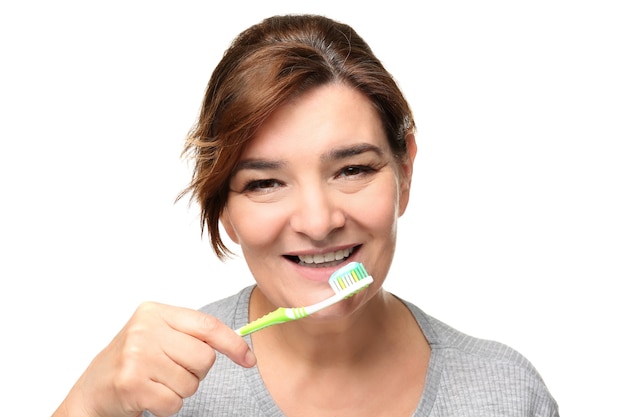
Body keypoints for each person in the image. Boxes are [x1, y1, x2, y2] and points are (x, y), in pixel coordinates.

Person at [52, 14, 559, 417]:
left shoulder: (507, 394)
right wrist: (87, 405)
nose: (318, 223)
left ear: (404, 172)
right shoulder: (154, 391)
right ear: (223, 208)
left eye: (352, 169)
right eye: (265, 183)